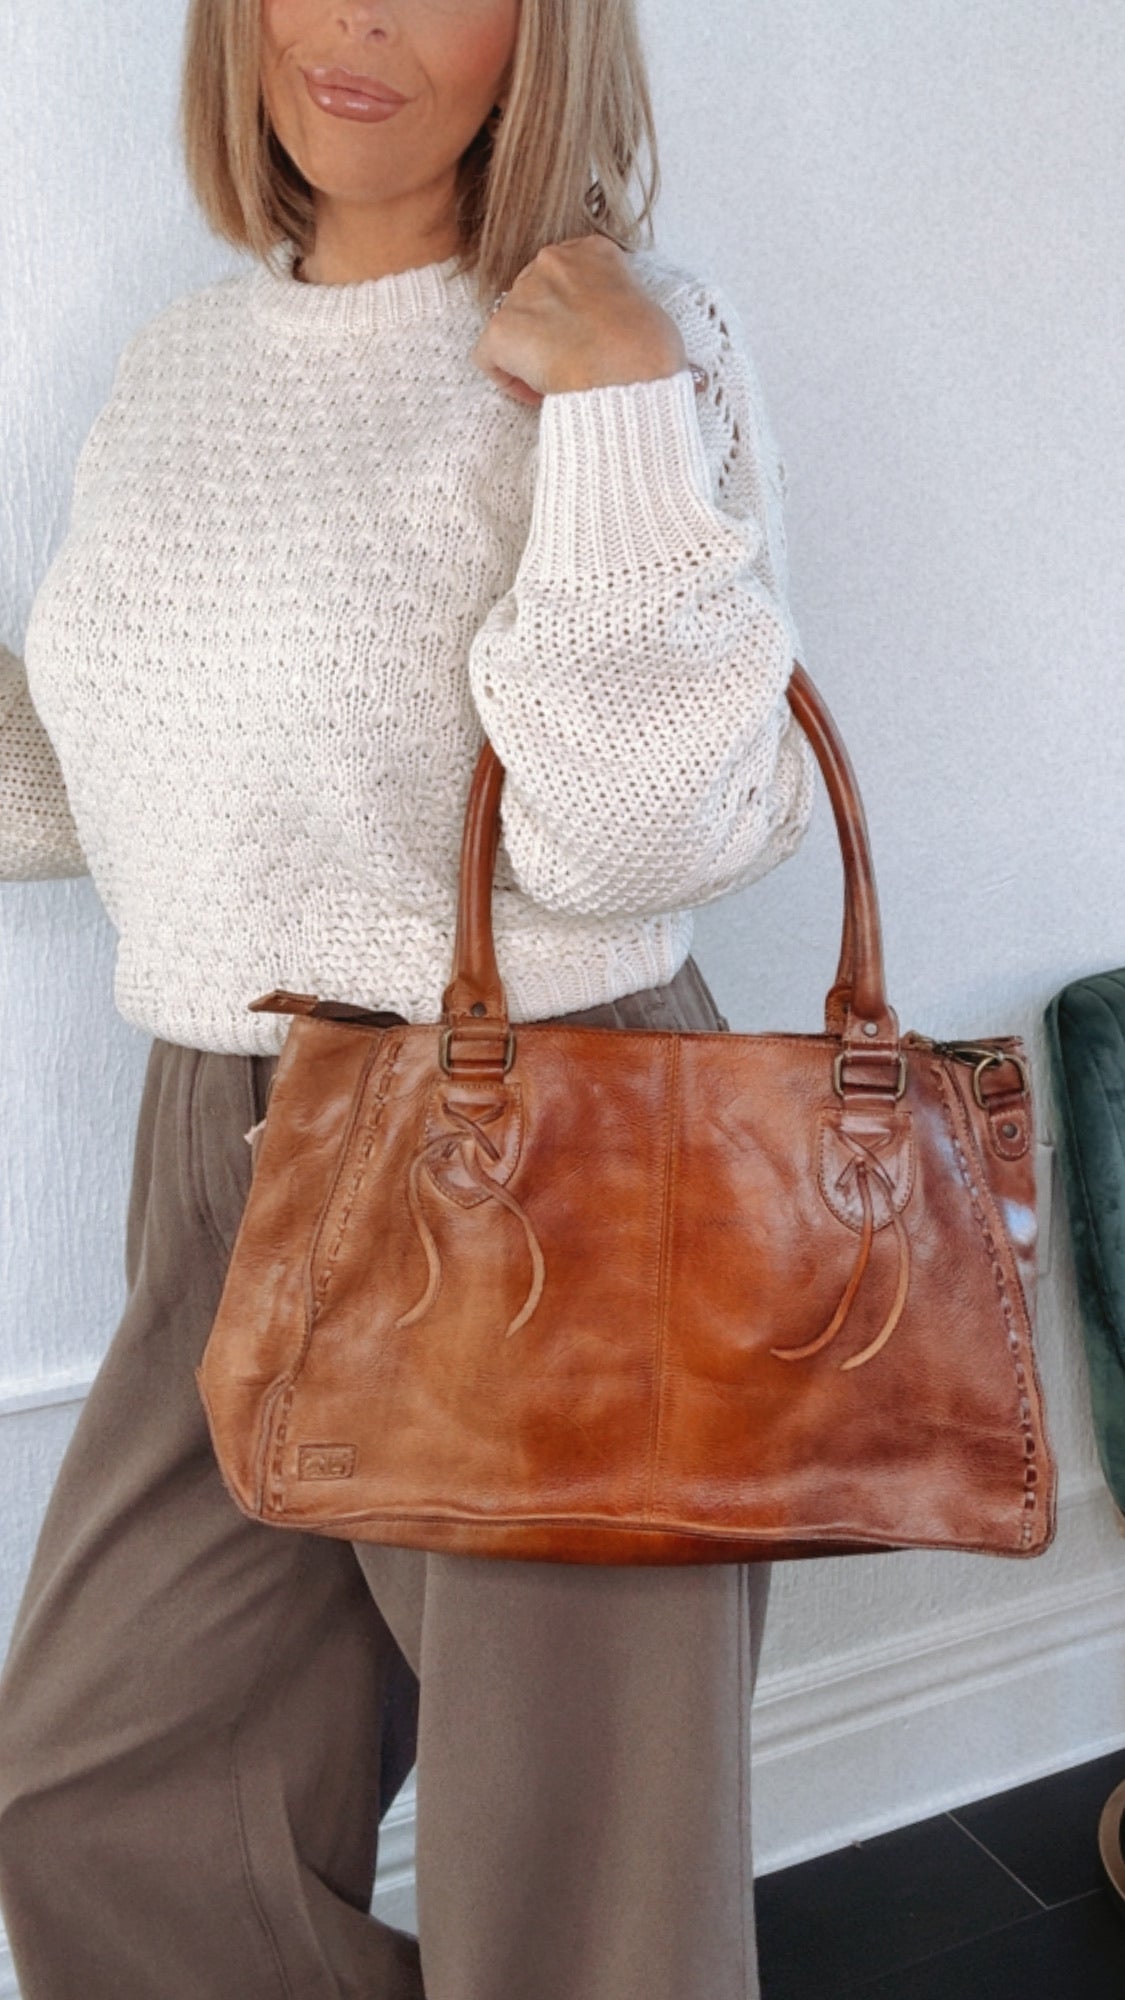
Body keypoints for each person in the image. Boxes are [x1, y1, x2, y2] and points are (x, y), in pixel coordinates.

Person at [0, 0, 816, 1994]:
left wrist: (615, 409)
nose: (360, 19)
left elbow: (641, 836)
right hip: (227, 1133)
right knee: (104, 1798)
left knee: (579, 1910)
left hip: (534, 1148)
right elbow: (134, 768)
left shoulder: (635, 334)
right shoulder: (179, 358)